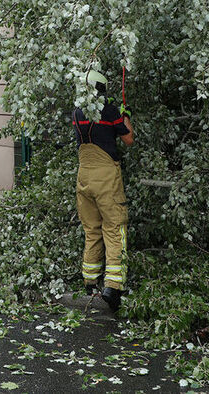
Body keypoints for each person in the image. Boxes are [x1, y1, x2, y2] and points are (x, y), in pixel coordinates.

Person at [72, 70, 134, 312]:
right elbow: (128, 138)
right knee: (114, 227)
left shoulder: (77, 112)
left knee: (92, 229)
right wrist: (125, 116)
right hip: (106, 177)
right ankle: (113, 288)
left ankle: (90, 281)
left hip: (84, 176)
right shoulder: (108, 110)